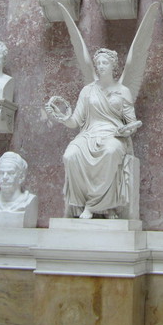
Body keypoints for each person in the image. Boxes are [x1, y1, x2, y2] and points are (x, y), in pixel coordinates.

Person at [45, 48, 140, 219]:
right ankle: (89, 204)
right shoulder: (87, 90)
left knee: (110, 151)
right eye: (98, 63)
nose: (101, 66)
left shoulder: (123, 90)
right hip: (89, 133)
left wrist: (127, 130)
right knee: (70, 155)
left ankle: (93, 206)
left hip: (113, 135)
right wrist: (63, 117)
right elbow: (75, 121)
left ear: (113, 66)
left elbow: (131, 122)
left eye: (105, 63)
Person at [0, 151, 38, 228]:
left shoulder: (28, 201)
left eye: (11, 173)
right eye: (2, 173)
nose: (4, 177)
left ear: (21, 177)